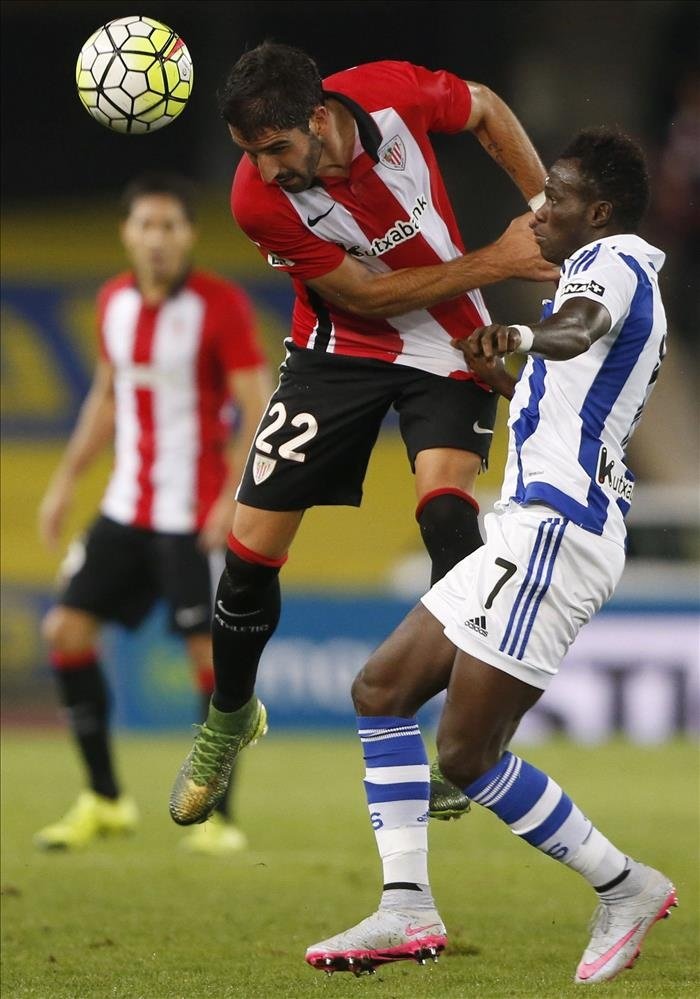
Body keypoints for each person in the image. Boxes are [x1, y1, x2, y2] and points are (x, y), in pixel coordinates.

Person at [304, 129, 677, 985]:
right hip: (526, 521)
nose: (538, 209)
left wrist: (516, 333)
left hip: (556, 529)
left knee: (468, 756)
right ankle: (405, 907)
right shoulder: (604, 275)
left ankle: (624, 886)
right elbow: (565, 384)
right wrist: (510, 369)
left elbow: (576, 332)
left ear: (602, 213)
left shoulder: (612, 263)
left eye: (557, 197)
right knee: (381, 690)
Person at [168, 42, 559, 827]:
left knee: (450, 521)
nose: (267, 170)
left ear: (319, 118)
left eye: (277, 149)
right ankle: (230, 716)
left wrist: (550, 210)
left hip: (450, 343)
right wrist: (498, 260)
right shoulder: (258, 200)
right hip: (337, 353)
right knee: (246, 559)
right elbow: (366, 298)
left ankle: (469, 740)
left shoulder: (389, 95)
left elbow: (481, 103)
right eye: (251, 154)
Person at [35, 174, 271, 854]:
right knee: (67, 631)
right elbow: (107, 399)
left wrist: (231, 499)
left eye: (171, 225)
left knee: (210, 656)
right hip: (124, 508)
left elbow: (256, 409)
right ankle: (105, 798)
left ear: (189, 235)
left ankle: (217, 813)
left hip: (190, 514)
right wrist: (63, 480)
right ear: (127, 233)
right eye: (147, 225)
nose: (159, 238)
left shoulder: (219, 306)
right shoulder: (111, 302)